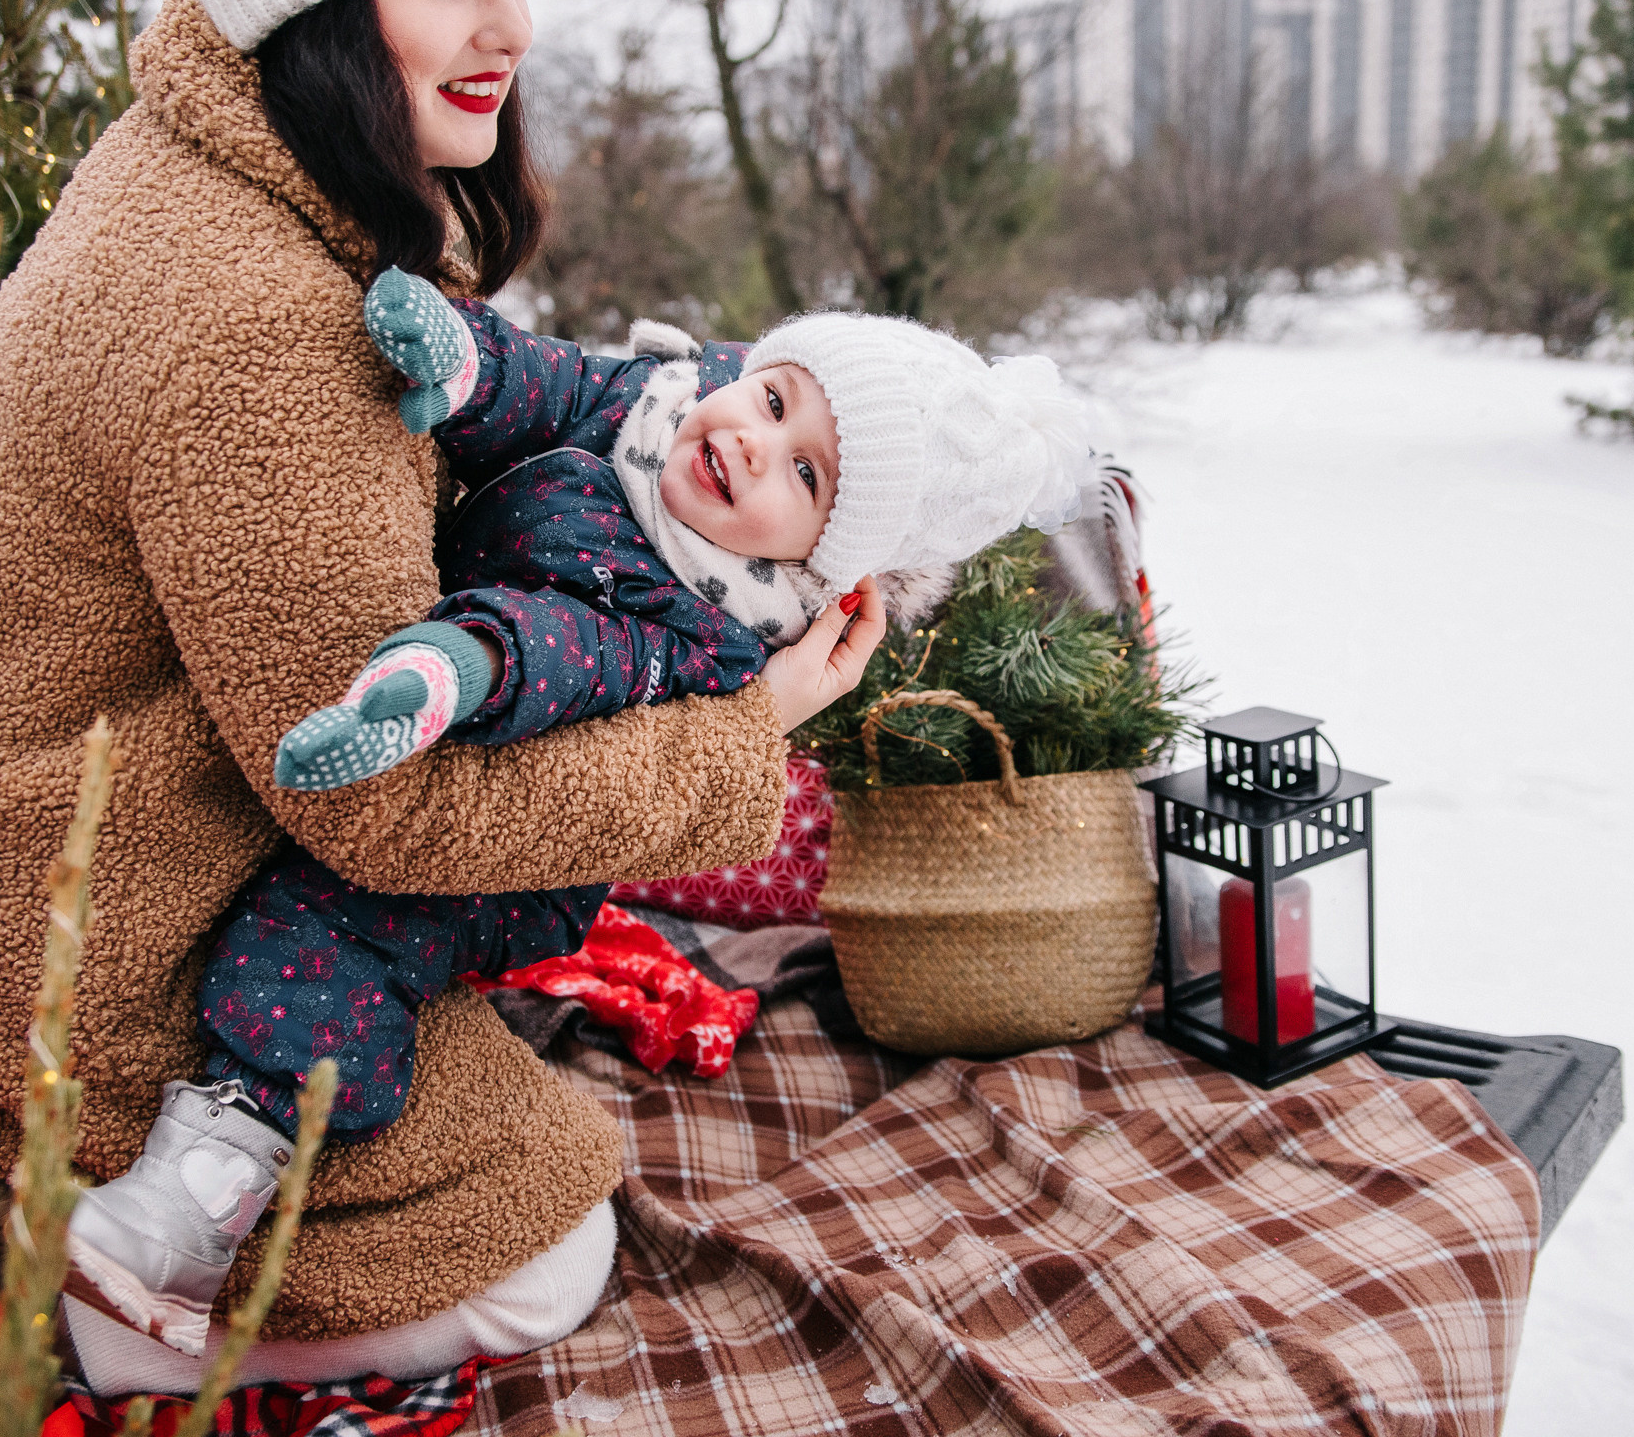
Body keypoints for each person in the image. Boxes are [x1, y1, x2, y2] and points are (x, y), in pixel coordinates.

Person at [0, 0, 875, 1397]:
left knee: (480, 1062)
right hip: (86, 952)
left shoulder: (191, 165)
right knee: (556, 1244)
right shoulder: (269, 324)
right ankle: (102, 1317)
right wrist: (749, 734)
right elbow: (387, 817)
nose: (509, 29)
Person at [61, 278, 1091, 1352]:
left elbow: (567, 648)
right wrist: (462, 365)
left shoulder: (710, 626)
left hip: (508, 860)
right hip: (457, 688)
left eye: (805, 473)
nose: (751, 442)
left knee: (327, 940)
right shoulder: (654, 402)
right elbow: (543, 383)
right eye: (776, 402)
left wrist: (452, 675)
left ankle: (194, 1208)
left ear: (820, 562)